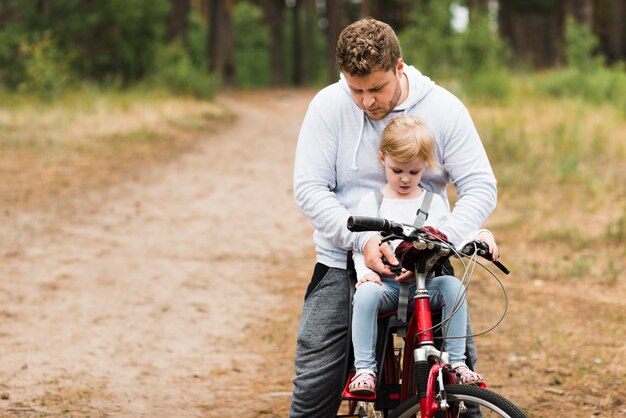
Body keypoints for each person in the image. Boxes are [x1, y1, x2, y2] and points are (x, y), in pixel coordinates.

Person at [291, 18, 497, 417]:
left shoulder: (444, 109)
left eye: (377, 88)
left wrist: (439, 239)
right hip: (344, 258)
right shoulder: (328, 107)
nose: (367, 101)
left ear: (399, 68)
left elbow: (480, 186)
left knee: (458, 385)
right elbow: (310, 189)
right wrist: (361, 242)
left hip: (427, 262)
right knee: (314, 381)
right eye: (356, 89)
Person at [348, 115, 498, 395]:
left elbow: (452, 233)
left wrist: (480, 235)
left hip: (425, 284)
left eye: (414, 172)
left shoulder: (433, 202)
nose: (405, 179)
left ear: (425, 168)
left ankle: (457, 363)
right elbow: (361, 244)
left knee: (454, 287)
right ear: (382, 159)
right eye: (397, 170)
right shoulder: (373, 202)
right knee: (365, 295)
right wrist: (365, 274)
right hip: (388, 285)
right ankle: (365, 369)